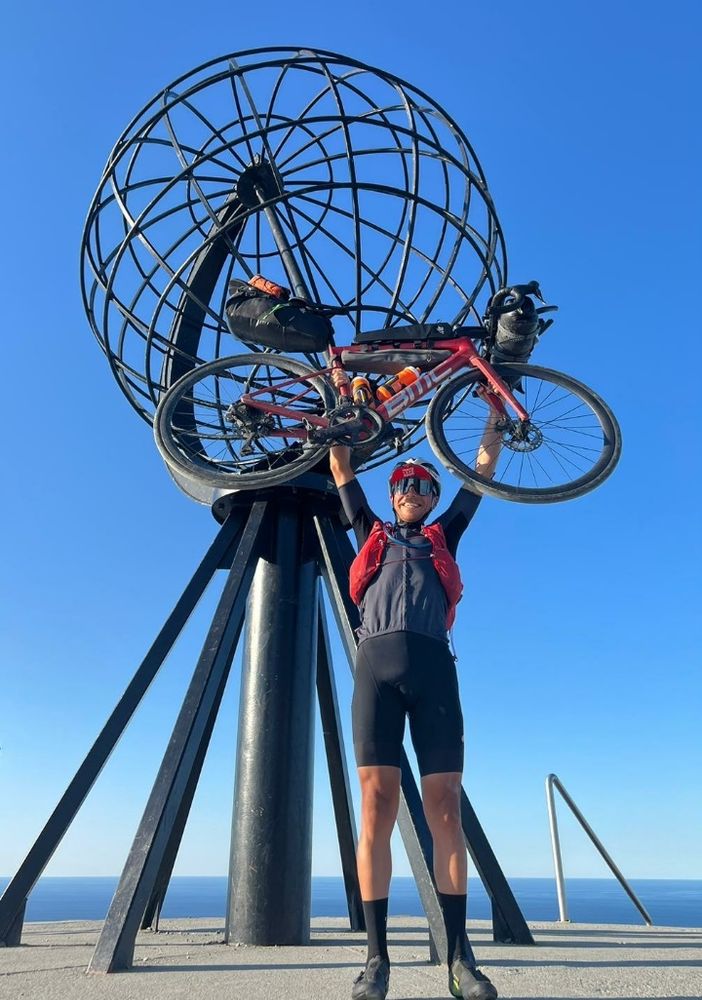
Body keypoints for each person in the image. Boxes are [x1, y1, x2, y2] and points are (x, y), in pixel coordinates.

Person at [328, 369, 503, 1000]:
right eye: (403, 483)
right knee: (376, 807)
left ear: (432, 499)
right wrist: (342, 397)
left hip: (435, 673)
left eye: (424, 486)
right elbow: (340, 462)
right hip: (375, 672)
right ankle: (376, 960)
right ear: (392, 493)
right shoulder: (367, 530)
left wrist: (494, 414)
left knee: (444, 808)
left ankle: (459, 960)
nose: (413, 490)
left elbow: (481, 473)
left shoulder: (443, 535)